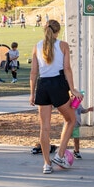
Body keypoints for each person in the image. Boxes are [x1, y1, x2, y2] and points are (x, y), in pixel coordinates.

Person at [29, 19, 82, 174]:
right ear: (58, 31)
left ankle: (46, 164)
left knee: (44, 127)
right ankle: (59, 154)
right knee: (71, 119)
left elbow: (33, 73)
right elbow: (67, 69)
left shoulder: (37, 47)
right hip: (58, 84)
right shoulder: (63, 45)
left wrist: (32, 94)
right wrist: (73, 90)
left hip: (42, 85)